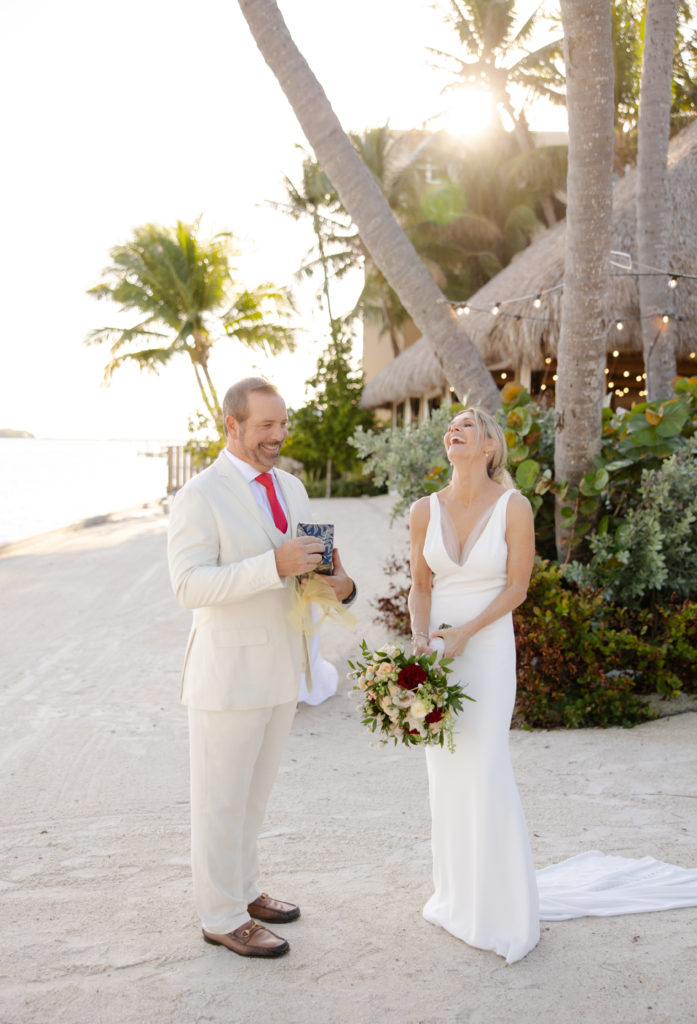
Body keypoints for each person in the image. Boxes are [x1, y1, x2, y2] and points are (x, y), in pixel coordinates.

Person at [167, 377, 356, 959]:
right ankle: (220, 916)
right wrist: (270, 564)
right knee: (220, 800)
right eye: (265, 426)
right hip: (226, 677)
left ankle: (245, 891)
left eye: (282, 423)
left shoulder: (293, 488)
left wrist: (342, 588)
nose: (278, 435)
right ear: (233, 426)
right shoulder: (199, 495)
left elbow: (310, 575)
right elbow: (188, 585)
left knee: (253, 797)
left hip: (283, 671)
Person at [407, 406, 539, 964]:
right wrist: (420, 640)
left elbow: (517, 588)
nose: (454, 430)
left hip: (485, 647)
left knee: (484, 767)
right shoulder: (422, 510)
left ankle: (503, 911)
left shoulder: (514, 505)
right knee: (447, 774)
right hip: (439, 651)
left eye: (468, 425)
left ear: (489, 446)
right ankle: (458, 897)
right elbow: (419, 585)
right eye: (450, 426)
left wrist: (467, 631)